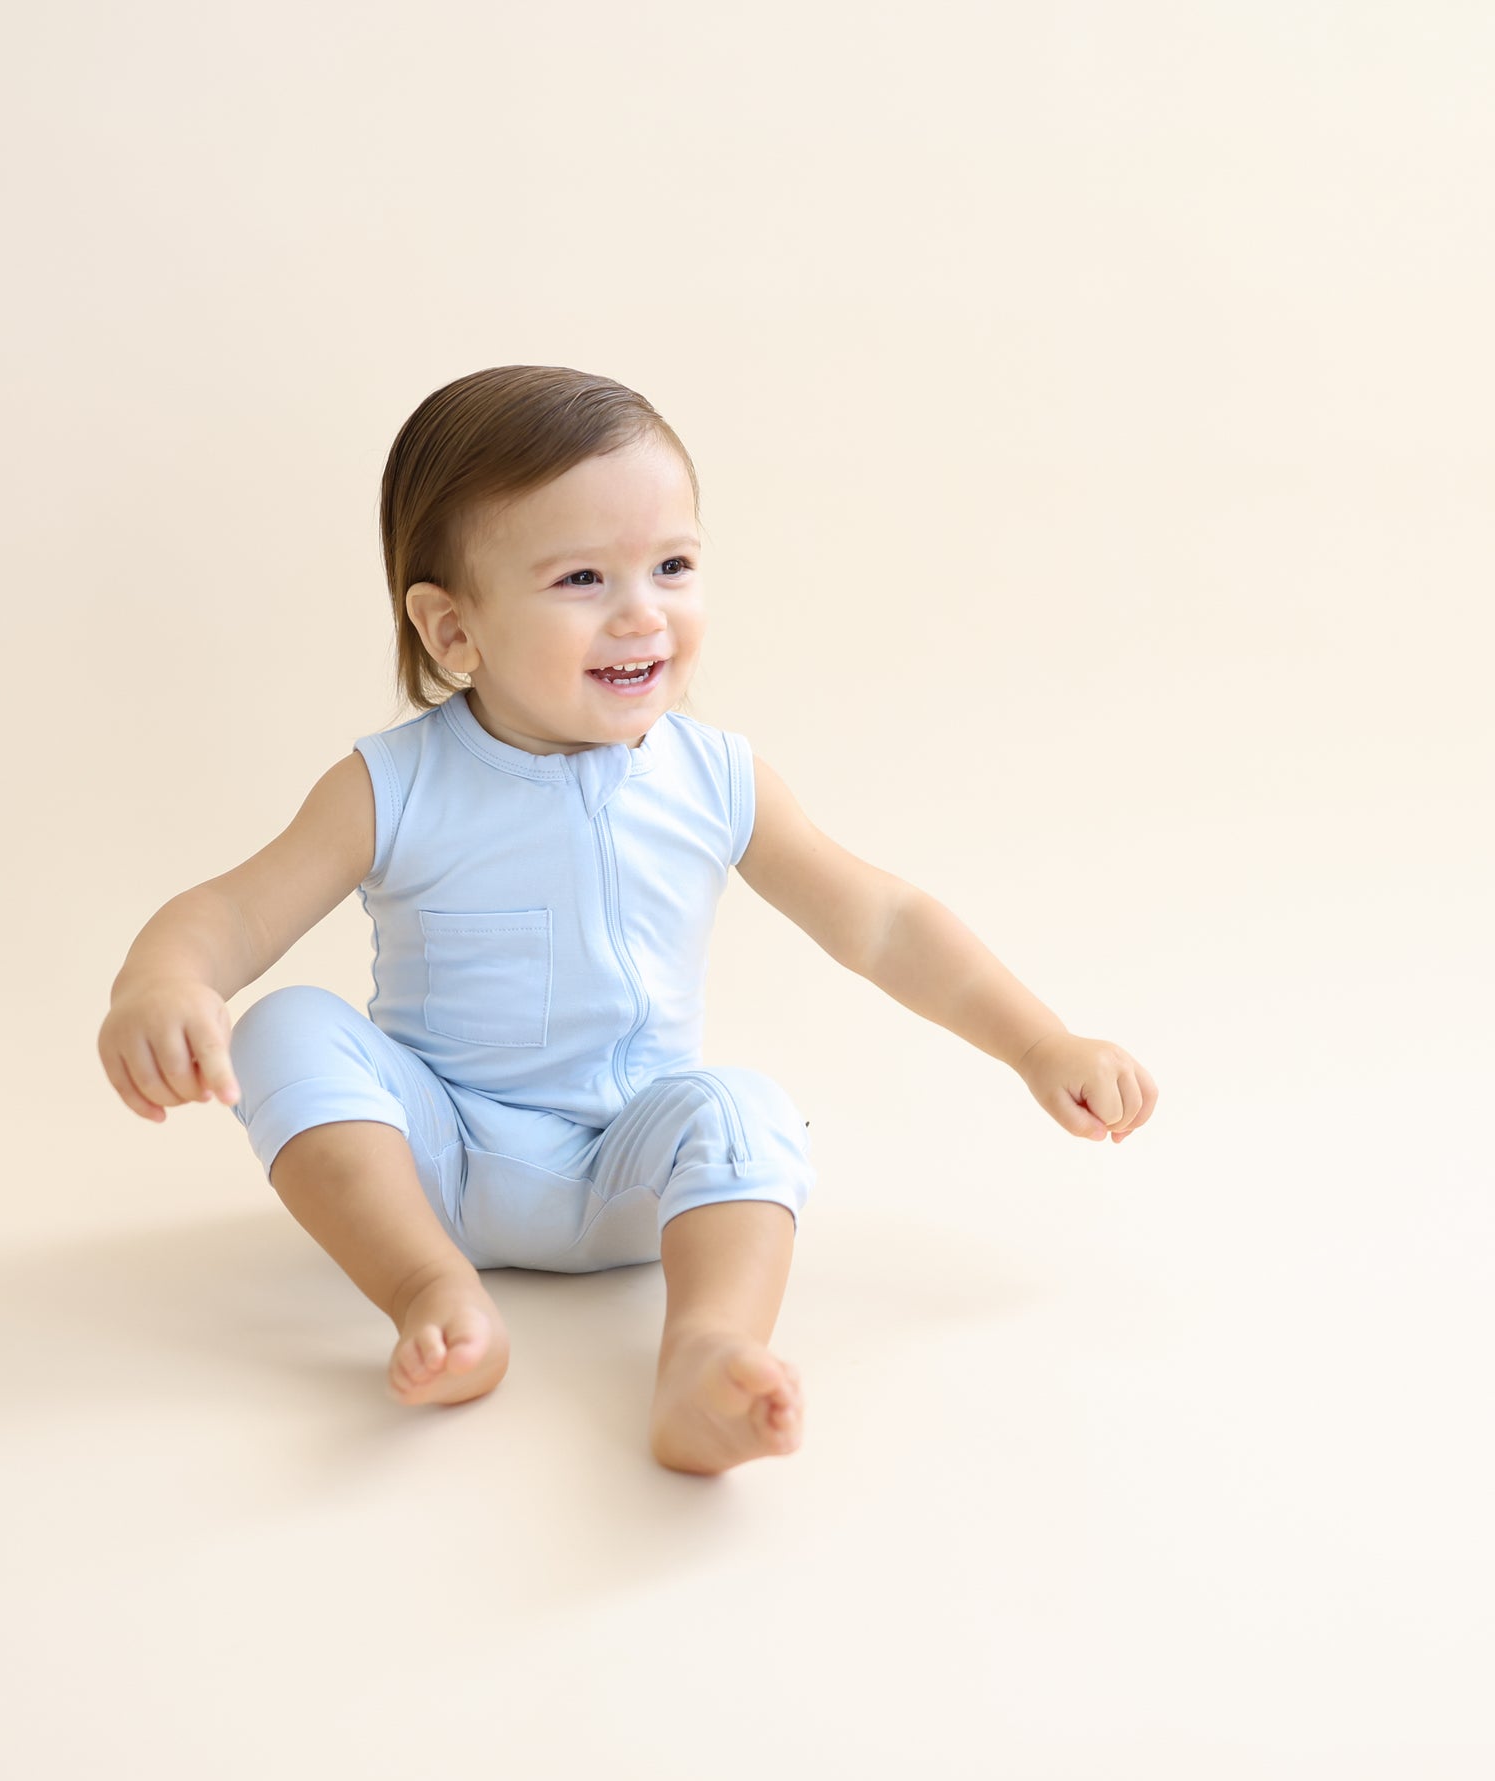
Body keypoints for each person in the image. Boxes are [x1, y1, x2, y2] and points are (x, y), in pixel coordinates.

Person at [97, 364, 1158, 1477]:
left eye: (673, 565)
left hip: (632, 1172)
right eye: (583, 577)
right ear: (453, 629)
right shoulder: (394, 784)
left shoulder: (716, 778)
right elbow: (228, 911)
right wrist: (163, 984)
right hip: (439, 1157)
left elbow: (884, 922)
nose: (642, 609)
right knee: (284, 1027)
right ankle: (433, 1294)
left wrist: (1040, 1042)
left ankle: (707, 1355)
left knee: (750, 1111)